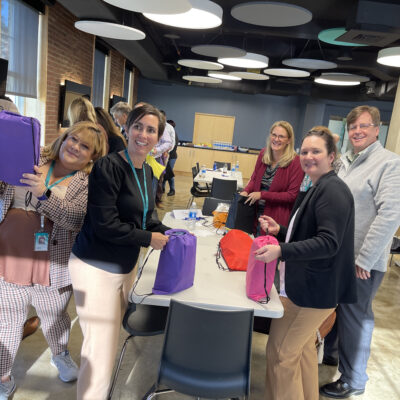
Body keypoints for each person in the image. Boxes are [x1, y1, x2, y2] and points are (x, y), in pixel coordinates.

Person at [69, 104, 171, 400]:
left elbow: (146, 218)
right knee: (99, 351)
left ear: (158, 137)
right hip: (96, 267)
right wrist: (148, 238)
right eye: (138, 126)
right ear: (126, 128)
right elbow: (105, 225)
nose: (143, 134)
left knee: (108, 342)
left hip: (124, 265)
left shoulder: (148, 172)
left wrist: (168, 233)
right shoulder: (108, 166)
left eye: (151, 130)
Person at [0, 121, 107, 400]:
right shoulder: (32, 159)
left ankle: (60, 355)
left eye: (85, 146)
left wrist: (43, 194)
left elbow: (74, 219)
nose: (75, 147)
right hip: (9, 255)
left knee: (55, 316)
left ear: (92, 156)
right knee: (8, 320)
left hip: (53, 261)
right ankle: (3, 377)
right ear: (64, 138)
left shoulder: (86, 183)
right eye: (73, 139)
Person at [254, 127, 357, 400]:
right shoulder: (317, 185)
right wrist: (282, 230)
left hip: (315, 290)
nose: (309, 156)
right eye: (306, 151)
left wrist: (281, 249)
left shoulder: (332, 190)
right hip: (305, 287)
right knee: (301, 353)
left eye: (317, 151)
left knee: (282, 355)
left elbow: (328, 242)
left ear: (331, 157)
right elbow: (310, 232)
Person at [320, 105, 400, 398]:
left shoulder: (389, 163)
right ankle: (332, 355)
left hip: (362, 261)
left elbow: (390, 214)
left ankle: (354, 380)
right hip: (339, 255)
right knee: (338, 310)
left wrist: (365, 258)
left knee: (356, 317)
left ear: (377, 129)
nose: (357, 131)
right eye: (353, 127)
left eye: (364, 126)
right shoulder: (346, 162)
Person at [240, 120, 304, 235]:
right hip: (255, 212)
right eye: (274, 135)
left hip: (276, 217)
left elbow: (292, 195)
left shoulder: (296, 162)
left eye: (281, 136)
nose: (276, 139)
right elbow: (254, 178)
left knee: (266, 249)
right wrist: (246, 190)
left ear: (289, 140)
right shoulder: (263, 154)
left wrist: (262, 195)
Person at [163, 119, 178, 196]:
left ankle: (172, 189)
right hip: (166, 156)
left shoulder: (173, 134)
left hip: (171, 156)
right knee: (164, 172)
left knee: (169, 173)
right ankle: (162, 188)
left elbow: (171, 147)